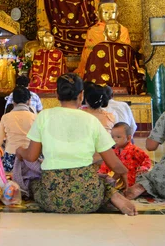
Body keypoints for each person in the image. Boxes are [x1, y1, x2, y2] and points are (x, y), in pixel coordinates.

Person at [16, 73, 137, 215]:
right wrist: (125, 178)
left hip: (52, 198)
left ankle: (110, 194)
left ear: (56, 94)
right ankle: (113, 195)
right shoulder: (91, 120)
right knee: (100, 182)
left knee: (33, 183)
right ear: (81, 95)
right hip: (89, 199)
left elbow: (31, 156)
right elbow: (114, 164)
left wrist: (20, 151)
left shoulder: (44, 116)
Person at [0, 86, 37, 172]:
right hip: (30, 156)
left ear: (13, 101)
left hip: (10, 157)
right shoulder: (35, 117)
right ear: (29, 101)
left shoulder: (6, 117)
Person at [98, 123, 151, 187]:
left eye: (118, 137)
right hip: (119, 181)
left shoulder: (135, 150)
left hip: (134, 181)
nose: (114, 140)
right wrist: (101, 173)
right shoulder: (114, 152)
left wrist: (143, 169)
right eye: (112, 137)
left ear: (128, 138)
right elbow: (107, 164)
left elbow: (146, 160)